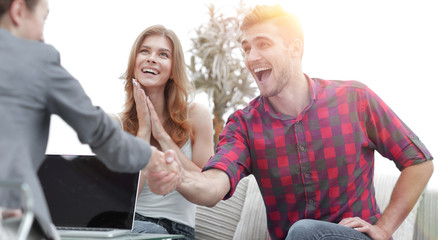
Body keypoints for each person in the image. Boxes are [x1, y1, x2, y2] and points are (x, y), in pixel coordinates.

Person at [147, 4, 434, 240]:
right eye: (246, 48)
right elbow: (212, 187)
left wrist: (384, 228)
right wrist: (178, 176)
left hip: (354, 238)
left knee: (303, 231)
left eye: (263, 44)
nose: (251, 57)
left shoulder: (354, 99)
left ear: (295, 49)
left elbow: (419, 162)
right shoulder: (244, 125)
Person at [0, 0, 180, 239]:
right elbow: (99, 132)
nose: (42, 35)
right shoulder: (35, 58)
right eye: (43, 20)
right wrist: (151, 157)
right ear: (18, 11)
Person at [110, 25, 214, 239]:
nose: (151, 58)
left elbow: (207, 184)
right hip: (131, 227)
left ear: (173, 70)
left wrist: (162, 136)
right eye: (144, 51)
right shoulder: (116, 125)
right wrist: (144, 132)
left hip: (177, 231)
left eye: (163, 54)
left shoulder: (196, 115)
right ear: (134, 61)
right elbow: (123, 202)